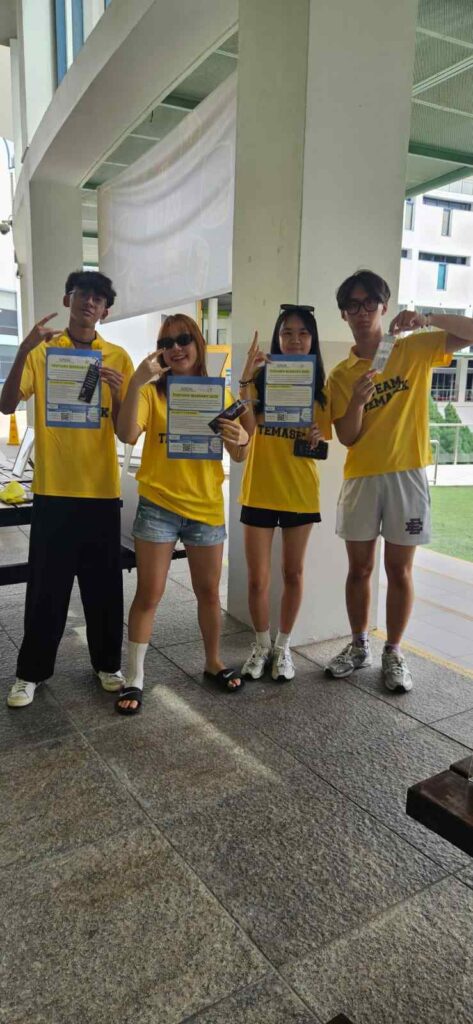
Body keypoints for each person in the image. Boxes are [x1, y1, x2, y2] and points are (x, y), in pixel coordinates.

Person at [325, 268, 473, 691]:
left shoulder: (416, 348)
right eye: (352, 305)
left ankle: (393, 651)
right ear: (343, 313)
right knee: (360, 568)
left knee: (400, 570)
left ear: (384, 306)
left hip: (407, 474)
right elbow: (347, 437)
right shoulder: (341, 374)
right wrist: (357, 402)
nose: (362, 312)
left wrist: (427, 317)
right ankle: (359, 645)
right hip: (361, 478)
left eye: (369, 303)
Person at [1, 270, 134, 708]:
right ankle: (30, 673)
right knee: (46, 588)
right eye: (82, 294)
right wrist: (23, 349)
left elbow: (126, 431)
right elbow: (6, 404)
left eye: (98, 299)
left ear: (105, 311)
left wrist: (120, 394)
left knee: (104, 589)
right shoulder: (43, 352)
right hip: (54, 490)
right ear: (68, 299)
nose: (89, 303)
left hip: (101, 491)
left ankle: (108, 664)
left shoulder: (118, 357)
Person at [115, 313, 250, 714]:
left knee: (208, 592)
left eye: (184, 339)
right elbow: (126, 434)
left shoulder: (218, 394)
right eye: (167, 342)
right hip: (158, 505)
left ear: (198, 344)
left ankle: (213, 662)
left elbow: (239, 454)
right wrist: (137, 381)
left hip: (205, 507)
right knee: (149, 594)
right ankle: (134, 677)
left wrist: (243, 437)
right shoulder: (152, 393)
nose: (176, 348)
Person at [238, 304, 328, 683]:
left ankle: (283, 647)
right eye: (287, 332)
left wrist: (316, 438)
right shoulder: (259, 382)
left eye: (303, 333)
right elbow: (247, 430)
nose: (294, 339)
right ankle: (261, 645)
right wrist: (246, 377)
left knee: (293, 573)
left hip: (299, 492)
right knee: (257, 580)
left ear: (312, 340)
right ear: (277, 338)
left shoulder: (320, 391)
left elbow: (321, 448)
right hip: (259, 489)